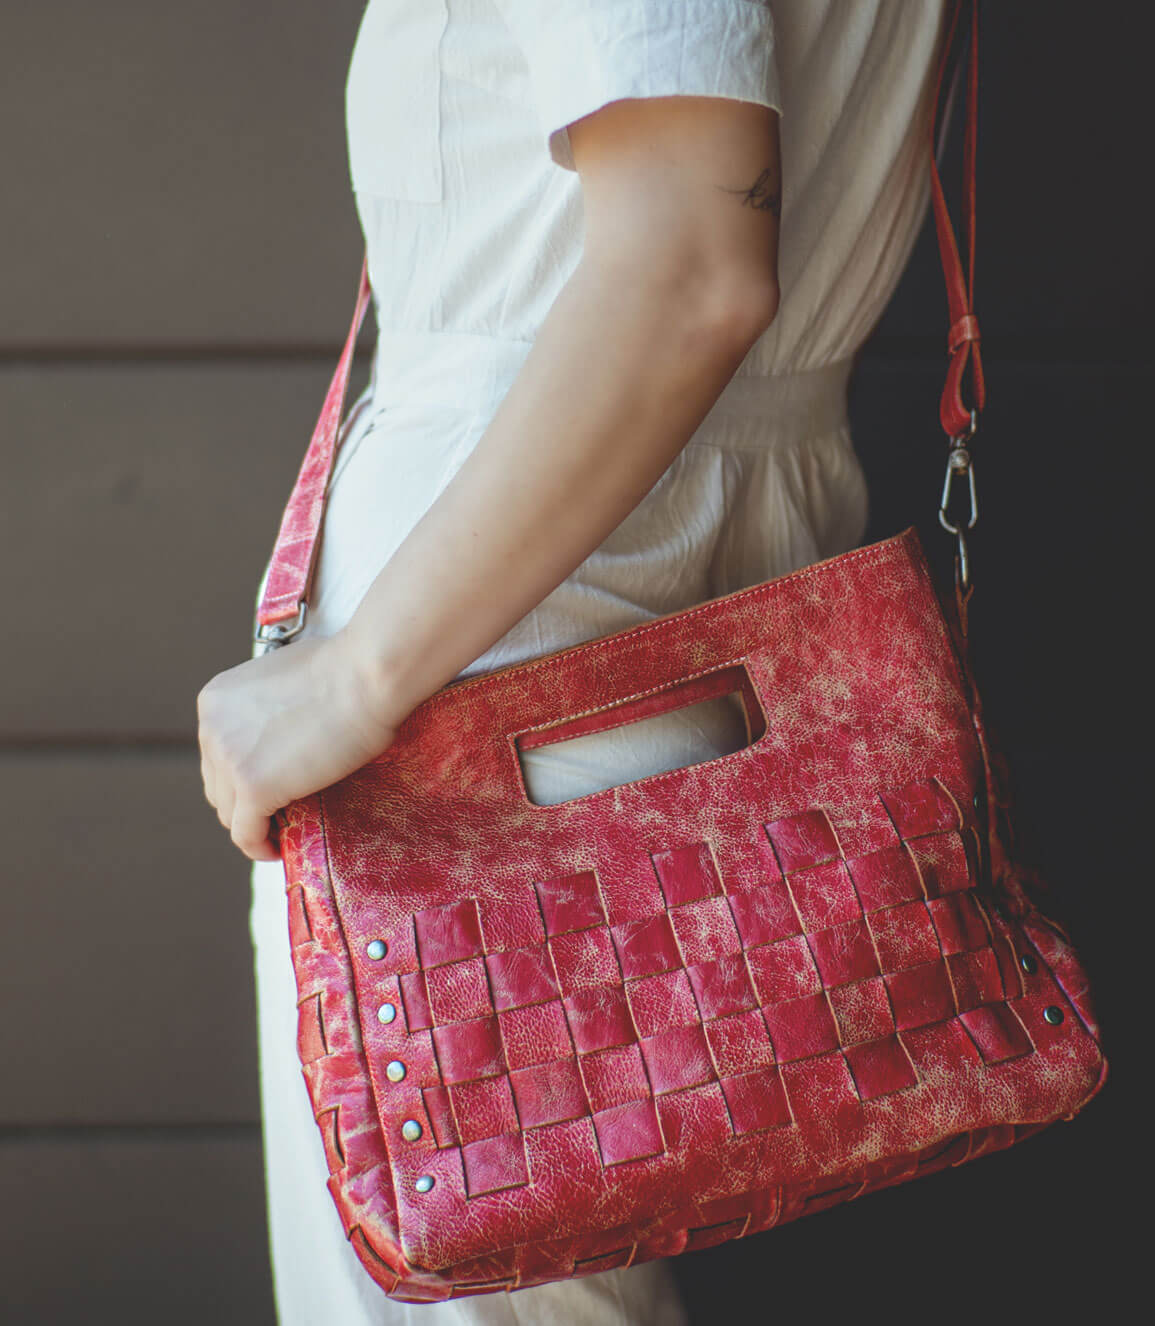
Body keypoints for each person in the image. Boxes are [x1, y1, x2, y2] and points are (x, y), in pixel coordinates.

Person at [197, 1, 954, 1321]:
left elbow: (688, 269)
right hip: (692, 592)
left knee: (451, 1288)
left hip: (498, 634)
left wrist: (357, 673)